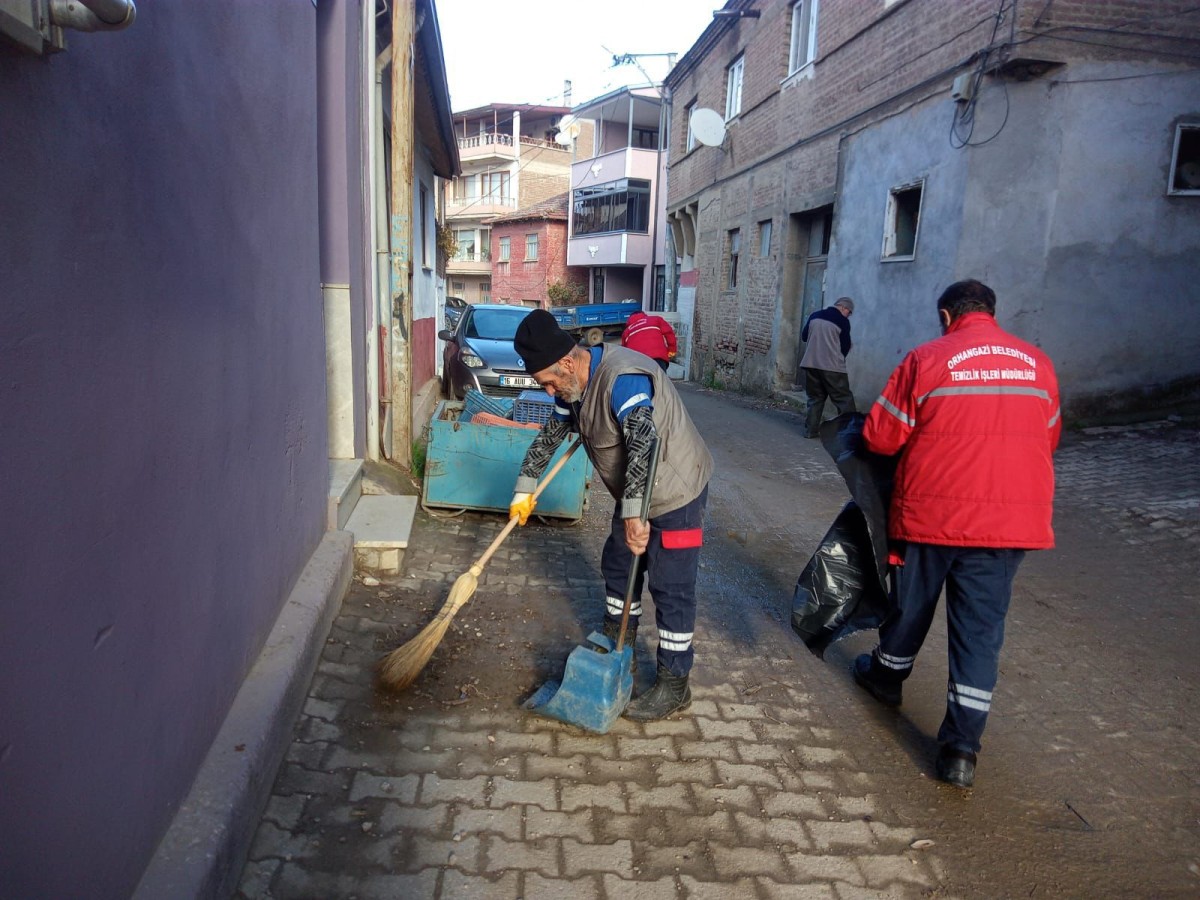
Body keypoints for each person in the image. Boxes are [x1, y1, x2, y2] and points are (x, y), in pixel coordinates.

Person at [853, 280, 1061, 788]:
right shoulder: (1038, 363)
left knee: (912, 605)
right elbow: (1050, 435)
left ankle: (886, 677)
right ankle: (961, 750)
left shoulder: (928, 358)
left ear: (947, 316)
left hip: (933, 516)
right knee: (980, 632)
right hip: (1009, 524)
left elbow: (881, 437)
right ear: (992, 312)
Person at [509, 309, 713, 721]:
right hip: (635, 489)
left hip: (676, 489)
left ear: (567, 362)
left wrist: (636, 517)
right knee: (620, 565)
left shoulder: (624, 380)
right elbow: (551, 435)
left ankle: (675, 684)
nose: (548, 392)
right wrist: (524, 488)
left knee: (671, 585)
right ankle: (618, 644)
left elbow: (643, 443)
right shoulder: (572, 389)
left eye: (547, 382)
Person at [799, 297, 856, 438]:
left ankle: (810, 431)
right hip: (833, 367)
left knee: (815, 398)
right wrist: (839, 357)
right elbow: (845, 346)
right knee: (844, 400)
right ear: (844, 308)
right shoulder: (843, 322)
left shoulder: (814, 316)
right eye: (849, 313)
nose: (849, 316)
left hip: (811, 364)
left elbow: (804, 336)